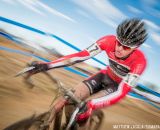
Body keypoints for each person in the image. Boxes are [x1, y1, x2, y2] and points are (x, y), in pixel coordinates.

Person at [26, 18, 148, 122]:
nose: (119, 49)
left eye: (126, 47)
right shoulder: (108, 41)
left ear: (135, 48)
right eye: (119, 42)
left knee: (81, 114)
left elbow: (121, 92)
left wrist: (91, 105)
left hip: (115, 87)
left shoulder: (140, 61)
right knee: (67, 100)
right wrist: (48, 65)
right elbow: (80, 56)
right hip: (103, 75)